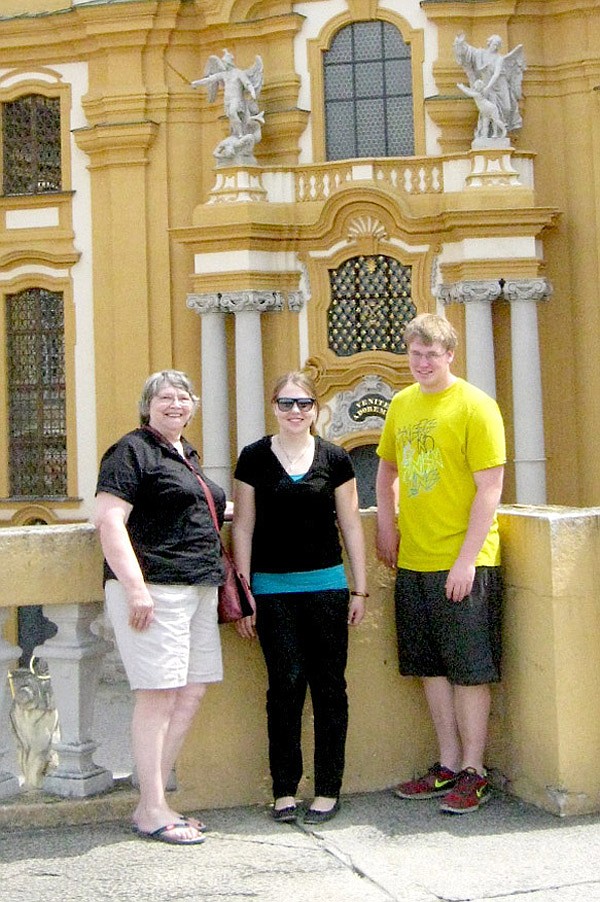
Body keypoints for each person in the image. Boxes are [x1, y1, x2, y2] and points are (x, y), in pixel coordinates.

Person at [376, 314, 505, 815]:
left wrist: (467, 560)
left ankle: (475, 769)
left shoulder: (476, 406)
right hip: (415, 560)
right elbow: (387, 466)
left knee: (469, 671)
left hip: (463, 561)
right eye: (415, 353)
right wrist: (386, 522)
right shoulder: (403, 404)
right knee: (430, 667)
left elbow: (489, 488)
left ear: (450, 354)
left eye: (432, 354)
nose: (423, 362)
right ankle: (448, 764)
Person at [94, 370, 226, 845]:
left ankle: (156, 796)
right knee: (159, 694)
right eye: (165, 398)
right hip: (156, 590)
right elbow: (110, 520)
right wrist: (135, 587)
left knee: (189, 691)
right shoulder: (131, 451)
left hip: (197, 589)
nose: (175, 404)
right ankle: (151, 809)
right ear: (147, 405)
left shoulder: (184, 453)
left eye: (183, 397)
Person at [232, 371, 367, 824]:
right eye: (287, 403)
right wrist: (245, 590)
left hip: (327, 588)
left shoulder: (336, 457)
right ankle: (284, 789)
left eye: (304, 404)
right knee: (285, 687)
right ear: (274, 406)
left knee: (331, 688)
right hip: (273, 592)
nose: (295, 412)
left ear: (316, 408)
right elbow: (244, 526)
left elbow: (350, 526)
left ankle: (328, 788)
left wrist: (359, 587)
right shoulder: (252, 458)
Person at [454, 32, 525, 133]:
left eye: (497, 45)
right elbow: (468, 52)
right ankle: (491, 132)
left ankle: (501, 130)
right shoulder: (480, 54)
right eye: (493, 44)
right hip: (486, 83)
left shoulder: (499, 58)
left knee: (507, 107)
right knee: (487, 110)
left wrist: (488, 87)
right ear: (489, 43)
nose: (495, 47)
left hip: (500, 83)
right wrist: (460, 43)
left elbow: (496, 74)